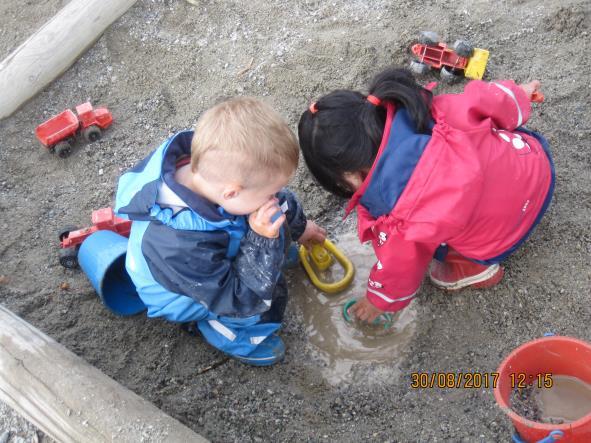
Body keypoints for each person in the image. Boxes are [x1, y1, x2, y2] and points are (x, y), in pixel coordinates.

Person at [298, 67, 553, 323]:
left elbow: (399, 270)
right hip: (536, 166)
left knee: (432, 252)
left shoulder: (398, 215)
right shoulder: (435, 112)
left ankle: (474, 270)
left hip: (504, 232)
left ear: (349, 176)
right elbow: (492, 100)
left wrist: (378, 302)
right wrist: (519, 93)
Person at [114, 97, 326, 365]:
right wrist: (263, 245)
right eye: (270, 192)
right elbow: (238, 299)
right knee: (254, 304)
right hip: (192, 294)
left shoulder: (217, 171)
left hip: (215, 246)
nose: (275, 197)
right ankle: (228, 334)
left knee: (264, 218)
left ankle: (264, 254)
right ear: (231, 192)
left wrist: (298, 227)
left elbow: (273, 201)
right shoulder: (178, 244)